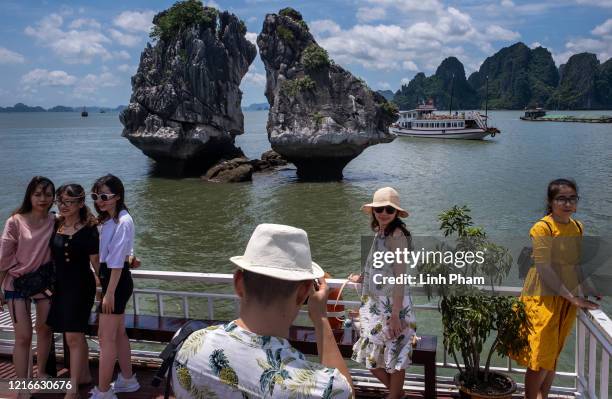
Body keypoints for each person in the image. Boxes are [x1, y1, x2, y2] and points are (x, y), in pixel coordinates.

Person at [172, 223, 354, 398]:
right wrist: (321, 319)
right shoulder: (320, 388)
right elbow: (347, 391)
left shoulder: (187, 345)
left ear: (238, 283)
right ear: (303, 294)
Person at [512, 179, 599, 399]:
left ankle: (544, 396)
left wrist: (587, 286)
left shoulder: (577, 227)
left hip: (565, 299)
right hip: (543, 297)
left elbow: (575, 262)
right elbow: (544, 268)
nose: (567, 203)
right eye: (561, 198)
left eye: (572, 198)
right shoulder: (543, 227)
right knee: (541, 357)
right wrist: (574, 298)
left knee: (552, 356)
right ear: (550, 202)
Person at [349, 187, 417, 399]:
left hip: (393, 307)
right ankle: (397, 394)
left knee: (394, 355)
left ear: (396, 213)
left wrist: (396, 315)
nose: (384, 213)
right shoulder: (381, 231)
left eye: (389, 209)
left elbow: (400, 277)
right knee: (373, 357)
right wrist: (362, 277)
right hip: (376, 307)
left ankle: (395, 395)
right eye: (380, 209)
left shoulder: (397, 236)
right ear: (373, 211)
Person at [0, 176, 56, 389]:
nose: (43, 199)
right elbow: (4, 257)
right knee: (23, 337)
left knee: (44, 330)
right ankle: (23, 385)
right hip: (16, 284)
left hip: (44, 285)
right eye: (38, 194)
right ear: (29, 196)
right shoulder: (15, 221)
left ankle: (41, 374)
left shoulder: (55, 220)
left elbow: (83, 232)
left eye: (48, 194)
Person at [89, 175, 139, 399]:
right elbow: (122, 254)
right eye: (96, 196)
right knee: (118, 334)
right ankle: (128, 380)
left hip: (115, 283)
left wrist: (108, 293)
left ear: (117, 196)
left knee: (105, 338)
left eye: (104, 196)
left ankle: (103, 391)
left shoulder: (123, 221)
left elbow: (117, 260)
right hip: (114, 280)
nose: (99, 201)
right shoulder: (109, 220)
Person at [46, 184, 99, 398]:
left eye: (69, 202)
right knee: (75, 337)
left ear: (80, 203)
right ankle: (84, 376)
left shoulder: (89, 229)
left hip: (80, 288)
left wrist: (104, 289)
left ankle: (73, 388)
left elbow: (96, 263)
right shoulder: (55, 224)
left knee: (73, 338)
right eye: (60, 201)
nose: (63, 205)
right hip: (60, 287)